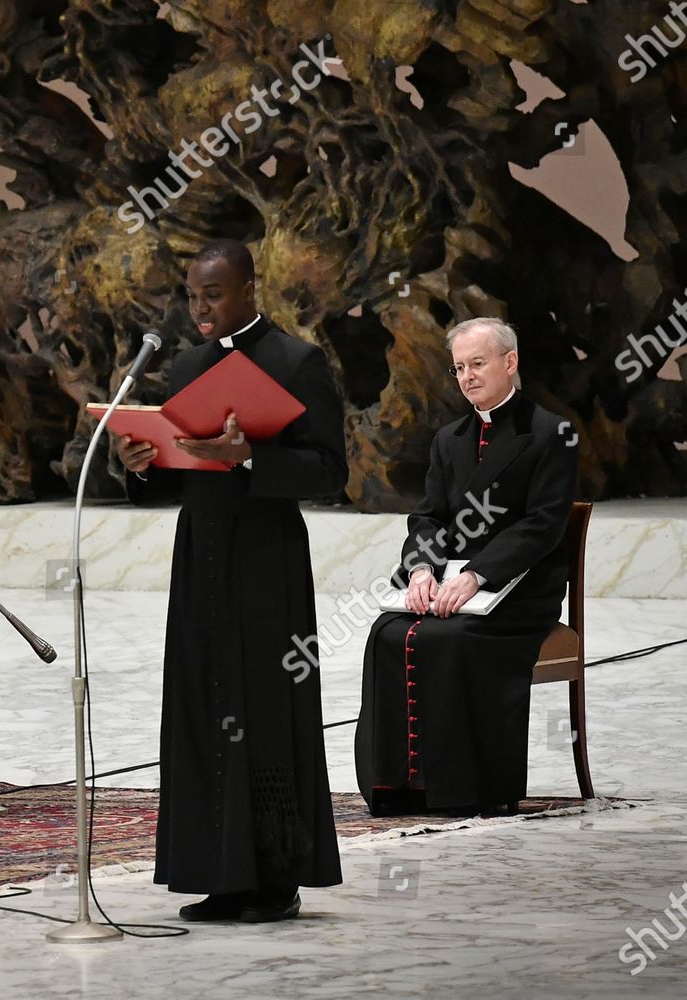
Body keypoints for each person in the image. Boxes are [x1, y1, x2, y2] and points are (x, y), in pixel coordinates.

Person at [117, 239, 346, 923]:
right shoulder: (186, 366)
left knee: (266, 713)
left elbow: (329, 471)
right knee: (202, 708)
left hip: (266, 563)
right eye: (192, 295)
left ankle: (276, 879)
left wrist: (251, 459)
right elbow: (174, 473)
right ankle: (219, 872)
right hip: (201, 560)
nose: (201, 307)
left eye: (213, 293)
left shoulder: (297, 362)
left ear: (249, 287)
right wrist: (139, 465)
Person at [355, 318, 577, 816]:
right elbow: (429, 517)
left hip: (520, 588)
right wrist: (421, 572)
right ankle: (398, 787)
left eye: (478, 364)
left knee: (451, 638)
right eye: (459, 368)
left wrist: (478, 575)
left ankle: (470, 789)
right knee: (387, 632)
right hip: (450, 581)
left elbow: (541, 526)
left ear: (510, 362)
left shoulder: (551, 434)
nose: (468, 376)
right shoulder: (448, 438)